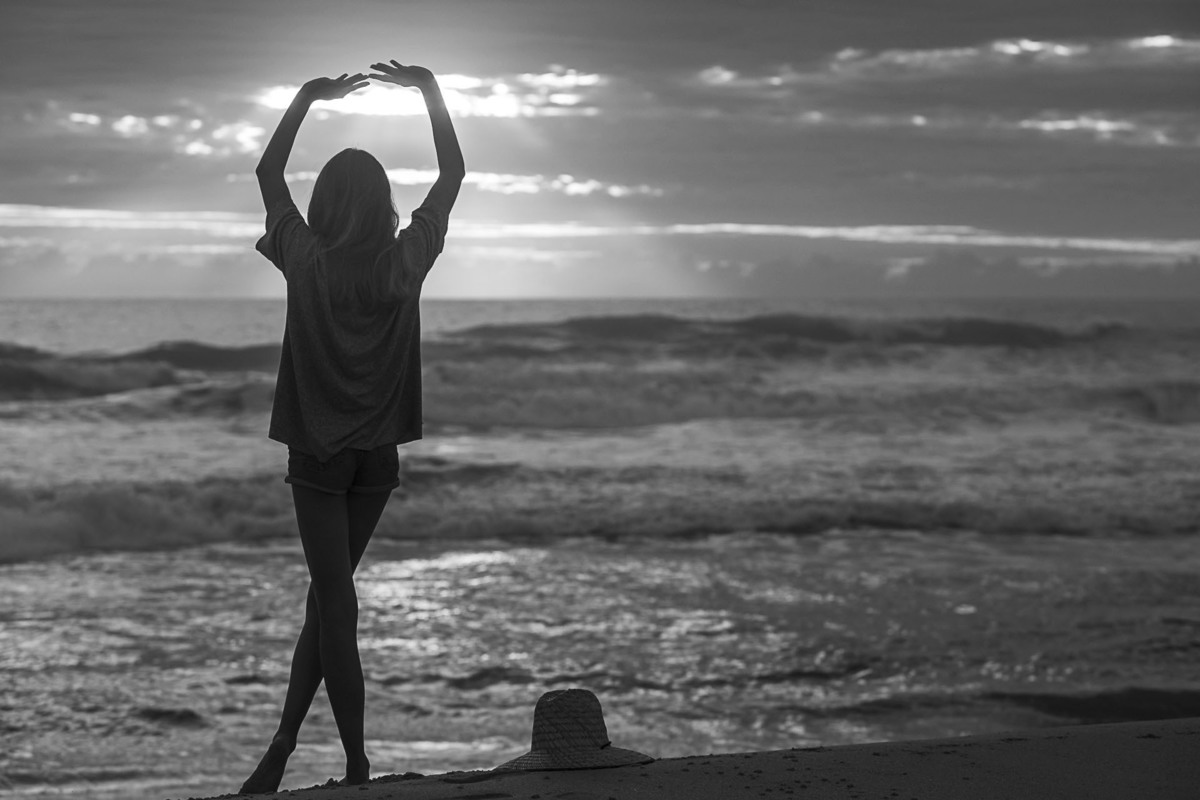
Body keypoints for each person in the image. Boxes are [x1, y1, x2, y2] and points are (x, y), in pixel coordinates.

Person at [239, 61, 465, 793]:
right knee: (327, 604)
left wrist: (309, 97)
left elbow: (267, 172)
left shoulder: (305, 259)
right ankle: (282, 744)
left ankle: (356, 766)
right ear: (383, 203)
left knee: (335, 605)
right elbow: (453, 174)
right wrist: (429, 91)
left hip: (318, 455)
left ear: (324, 203)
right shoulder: (406, 262)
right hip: (376, 458)